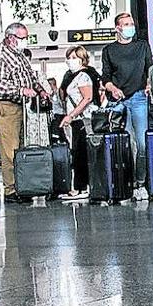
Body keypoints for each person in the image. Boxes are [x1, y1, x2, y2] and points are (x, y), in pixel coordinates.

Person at [0, 22, 51, 202]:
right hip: (4, 105)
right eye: (22, 38)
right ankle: (10, 190)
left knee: (20, 146)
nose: (25, 42)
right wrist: (21, 90)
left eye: (26, 38)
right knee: (10, 148)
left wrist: (39, 90)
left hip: (19, 105)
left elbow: (29, 76)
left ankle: (22, 185)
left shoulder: (19, 54)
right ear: (10, 38)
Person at [101, 13, 153, 201]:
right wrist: (112, 88)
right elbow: (105, 76)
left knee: (141, 143)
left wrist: (149, 85)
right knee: (125, 145)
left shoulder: (142, 46)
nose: (130, 27)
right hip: (119, 101)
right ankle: (124, 184)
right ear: (118, 28)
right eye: (126, 24)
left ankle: (140, 182)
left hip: (139, 97)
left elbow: (150, 68)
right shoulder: (109, 50)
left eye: (131, 23)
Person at [59, 47, 102, 202]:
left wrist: (71, 115)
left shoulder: (83, 76)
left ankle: (82, 187)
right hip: (79, 119)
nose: (69, 60)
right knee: (78, 151)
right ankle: (80, 186)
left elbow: (87, 98)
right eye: (68, 57)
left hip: (83, 118)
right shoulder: (74, 76)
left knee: (81, 153)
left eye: (73, 57)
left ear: (81, 58)